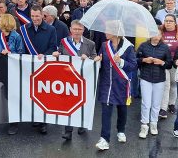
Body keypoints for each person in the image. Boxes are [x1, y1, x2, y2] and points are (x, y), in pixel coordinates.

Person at [95, 21, 137, 151]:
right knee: (106, 112)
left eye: (107, 30)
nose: (105, 32)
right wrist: (98, 61)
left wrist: (122, 61)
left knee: (122, 108)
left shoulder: (128, 47)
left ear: (115, 32)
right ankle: (104, 139)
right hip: (107, 83)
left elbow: (133, 66)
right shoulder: (104, 45)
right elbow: (102, 61)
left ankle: (121, 130)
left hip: (121, 83)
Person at [52, 20, 97, 140]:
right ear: (70, 29)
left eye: (79, 29)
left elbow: (94, 58)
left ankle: (82, 124)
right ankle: (68, 131)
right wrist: (56, 54)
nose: (77, 32)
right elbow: (60, 53)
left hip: (83, 79)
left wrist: (88, 58)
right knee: (68, 104)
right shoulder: (64, 41)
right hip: (68, 79)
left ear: (83, 30)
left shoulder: (90, 43)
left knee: (82, 104)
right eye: (75, 29)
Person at [20, 5, 57, 134]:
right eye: (33, 16)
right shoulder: (24, 29)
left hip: (44, 66)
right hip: (28, 66)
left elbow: (53, 47)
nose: (35, 18)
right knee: (31, 93)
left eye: (37, 16)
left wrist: (45, 55)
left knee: (44, 94)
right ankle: (35, 117)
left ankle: (43, 122)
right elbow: (22, 48)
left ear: (42, 15)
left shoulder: (51, 29)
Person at [136, 29, 172, 138]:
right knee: (146, 103)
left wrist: (162, 63)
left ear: (161, 36)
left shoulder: (165, 47)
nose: (156, 36)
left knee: (156, 104)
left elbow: (169, 64)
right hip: (145, 78)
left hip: (160, 79)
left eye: (158, 34)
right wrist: (144, 60)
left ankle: (154, 124)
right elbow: (135, 59)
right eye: (154, 34)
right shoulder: (143, 45)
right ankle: (144, 125)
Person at [0, 14, 25, 135]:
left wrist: (10, 52)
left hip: (14, 69)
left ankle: (14, 122)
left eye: (0, 21)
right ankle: (6, 117)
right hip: (2, 69)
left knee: (13, 96)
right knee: (4, 95)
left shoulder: (17, 36)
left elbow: (21, 52)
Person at [159, 14, 178, 118]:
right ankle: (163, 108)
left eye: (170, 21)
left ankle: (172, 104)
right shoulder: (161, 32)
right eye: (166, 21)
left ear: (175, 22)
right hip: (164, 62)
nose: (168, 23)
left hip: (175, 62)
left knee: (173, 84)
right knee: (166, 85)